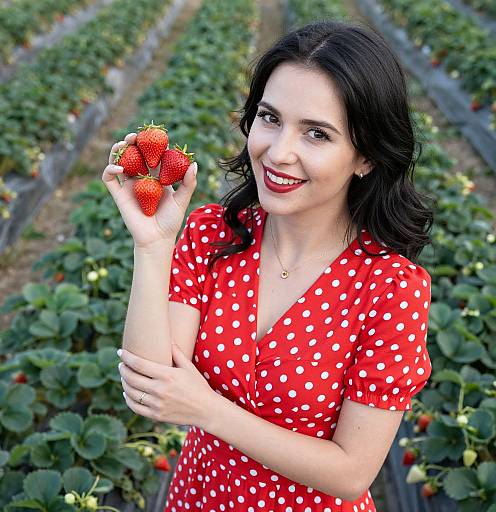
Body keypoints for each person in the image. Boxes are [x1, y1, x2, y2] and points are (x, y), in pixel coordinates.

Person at [103, 18, 435, 512]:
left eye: (317, 134)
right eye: (270, 118)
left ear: (365, 156)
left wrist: (210, 411)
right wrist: (153, 247)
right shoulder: (213, 234)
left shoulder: (390, 289)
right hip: (198, 498)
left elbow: (350, 472)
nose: (279, 153)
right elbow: (152, 389)